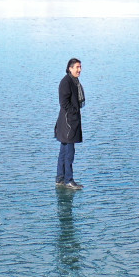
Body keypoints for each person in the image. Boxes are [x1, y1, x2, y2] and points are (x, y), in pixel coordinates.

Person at [55, 58, 85, 189]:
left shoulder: (73, 81)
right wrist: (74, 111)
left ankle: (60, 178)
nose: (79, 70)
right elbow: (64, 103)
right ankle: (68, 179)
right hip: (68, 123)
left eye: (80, 67)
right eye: (77, 67)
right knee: (69, 153)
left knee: (64, 151)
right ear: (70, 68)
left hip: (68, 122)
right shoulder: (66, 82)